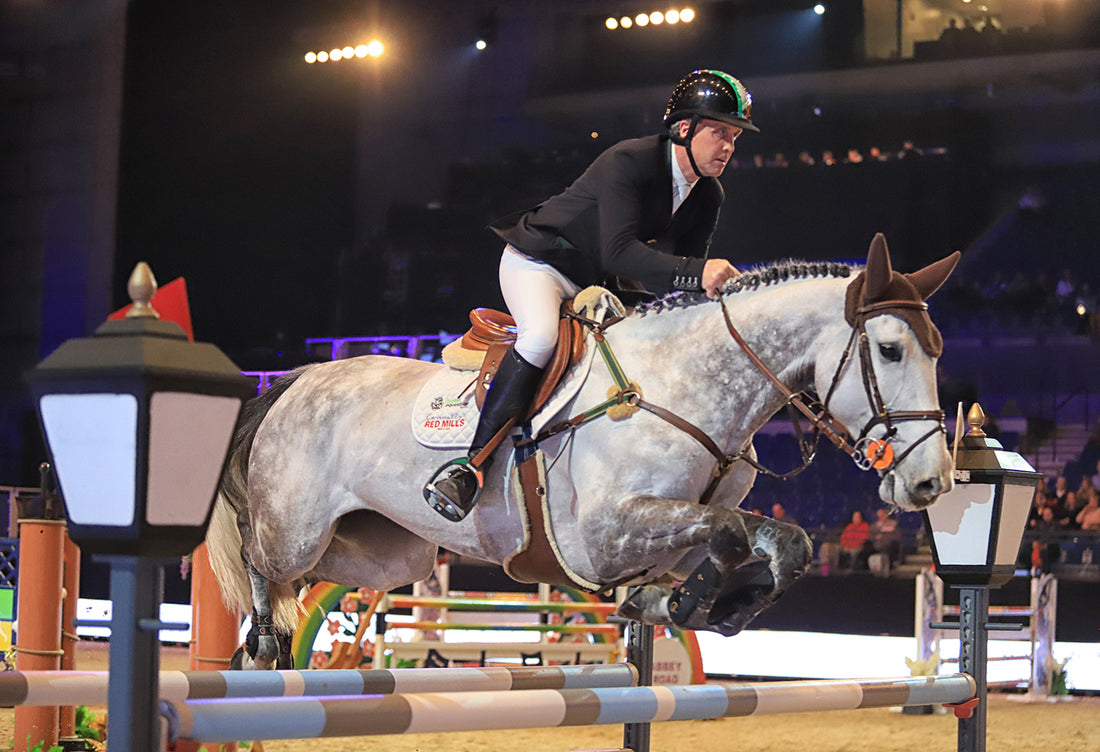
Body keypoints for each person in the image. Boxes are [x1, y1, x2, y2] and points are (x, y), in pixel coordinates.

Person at [423, 69, 756, 521]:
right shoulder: (629, 160)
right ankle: (468, 469)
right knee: (539, 338)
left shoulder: (708, 194)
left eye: (735, 137)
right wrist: (700, 273)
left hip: (599, 281)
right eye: (720, 132)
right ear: (684, 128)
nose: (729, 146)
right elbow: (622, 253)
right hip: (542, 263)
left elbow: (674, 280)